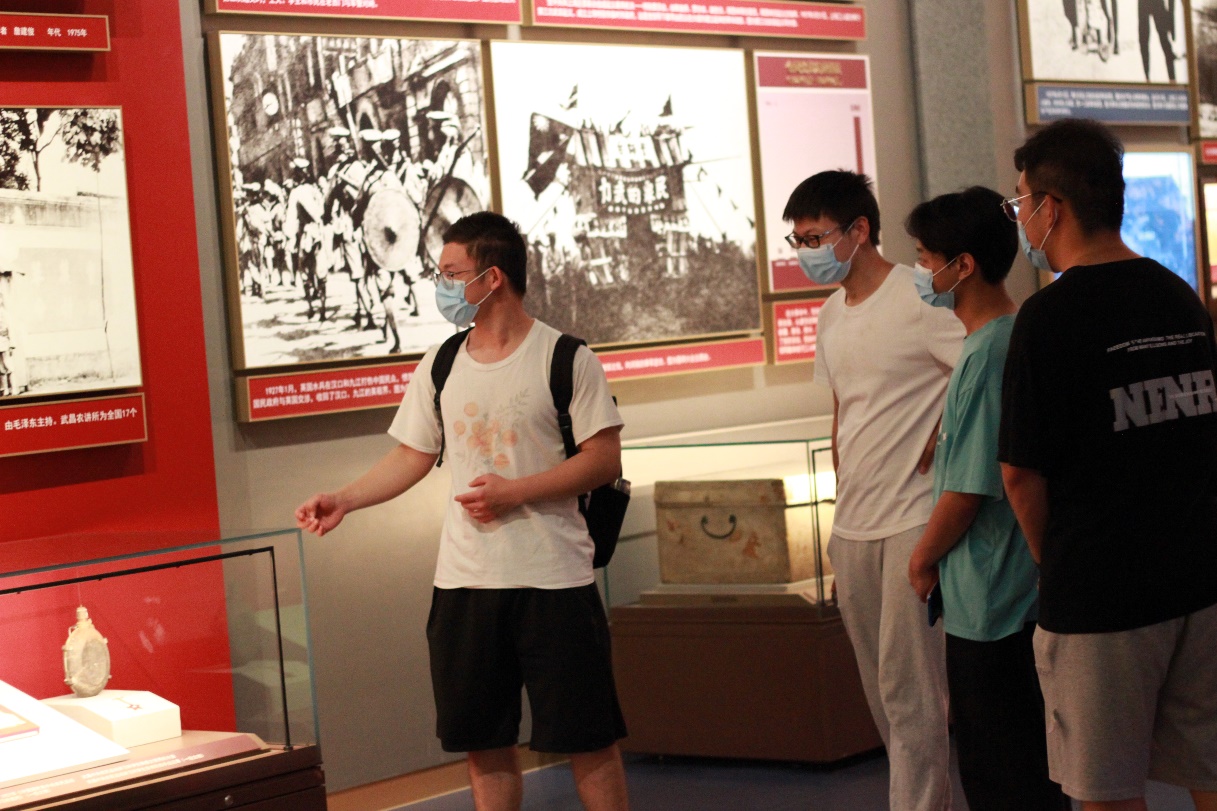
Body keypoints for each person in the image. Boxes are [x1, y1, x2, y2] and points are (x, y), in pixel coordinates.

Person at [296, 212, 630, 811]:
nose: (441, 284)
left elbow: (603, 460)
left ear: (492, 277)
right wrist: (344, 498)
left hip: (554, 578)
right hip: (465, 582)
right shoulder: (442, 362)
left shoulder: (566, 358)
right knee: (484, 742)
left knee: (589, 739)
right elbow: (413, 453)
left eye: (451, 273)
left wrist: (516, 491)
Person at [999, 118, 1217, 811]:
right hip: (1198, 576)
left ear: (1051, 207)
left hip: (1100, 596)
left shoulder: (1047, 318)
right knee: (1210, 771)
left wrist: (1056, 560)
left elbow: (1019, 473)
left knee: (1106, 790)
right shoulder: (1177, 294)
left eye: (1020, 201)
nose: (1019, 217)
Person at [782, 170, 964, 811]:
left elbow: (981, 370)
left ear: (859, 230)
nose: (806, 251)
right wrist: (839, 515)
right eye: (798, 240)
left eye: (815, 237)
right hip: (854, 526)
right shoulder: (831, 313)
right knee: (883, 697)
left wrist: (943, 435)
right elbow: (844, 413)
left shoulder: (922, 295)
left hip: (913, 518)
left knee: (911, 694)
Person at [904, 187, 1068, 811]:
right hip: (1003, 594)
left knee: (1003, 772)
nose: (921, 271)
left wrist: (921, 559)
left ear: (963, 265)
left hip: (995, 601)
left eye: (926, 258)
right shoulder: (1003, 338)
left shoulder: (991, 352)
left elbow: (970, 486)